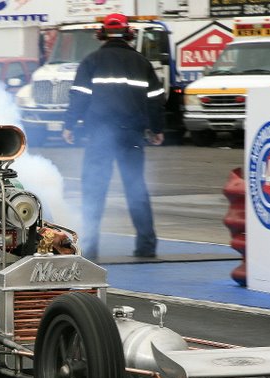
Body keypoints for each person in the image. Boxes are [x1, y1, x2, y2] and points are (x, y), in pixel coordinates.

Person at [62, 12, 165, 260]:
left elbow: (79, 96)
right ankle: (146, 247)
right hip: (131, 136)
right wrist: (157, 129)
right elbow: (156, 100)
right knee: (136, 189)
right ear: (129, 34)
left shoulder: (92, 61)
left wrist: (69, 125)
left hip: (100, 136)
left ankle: (89, 248)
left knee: (94, 191)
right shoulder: (142, 63)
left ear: (101, 34)